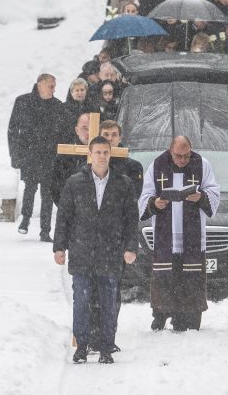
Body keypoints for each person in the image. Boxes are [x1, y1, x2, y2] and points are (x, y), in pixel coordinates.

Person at [53, 137, 139, 364]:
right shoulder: (74, 183)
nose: (102, 156)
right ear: (89, 155)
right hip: (82, 250)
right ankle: (81, 346)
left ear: (110, 155)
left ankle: (105, 347)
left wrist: (131, 247)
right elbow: (64, 216)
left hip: (110, 252)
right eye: (98, 152)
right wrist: (59, 246)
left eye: (105, 152)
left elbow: (131, 219)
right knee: (81, 301)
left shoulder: (123, 183)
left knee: (108, 302)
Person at [138, 136, 221, 331]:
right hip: (166, 231)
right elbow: (146, 194)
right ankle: (161, 313)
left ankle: (190, 317)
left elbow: (214, 190)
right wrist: (154, 203)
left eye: (186, 155)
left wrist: (202, 196)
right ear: (170, 150)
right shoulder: (158, 165)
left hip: (191, 233)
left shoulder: (201, 164)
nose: (183, 160)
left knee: (190, 277)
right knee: (166, 275)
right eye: (178, 156)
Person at [8, 73, 62, 241]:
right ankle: (25, 219)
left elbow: (61, 132)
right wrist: (15, 154)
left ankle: (45, 230)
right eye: (50, 85)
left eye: (54, 86)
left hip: (49, 156)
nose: (53, 89)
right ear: (40, 85)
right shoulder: (23, 102)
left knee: (47, 194)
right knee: (30, 188)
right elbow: (12, 130)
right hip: (29, 154)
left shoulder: (57, 105)